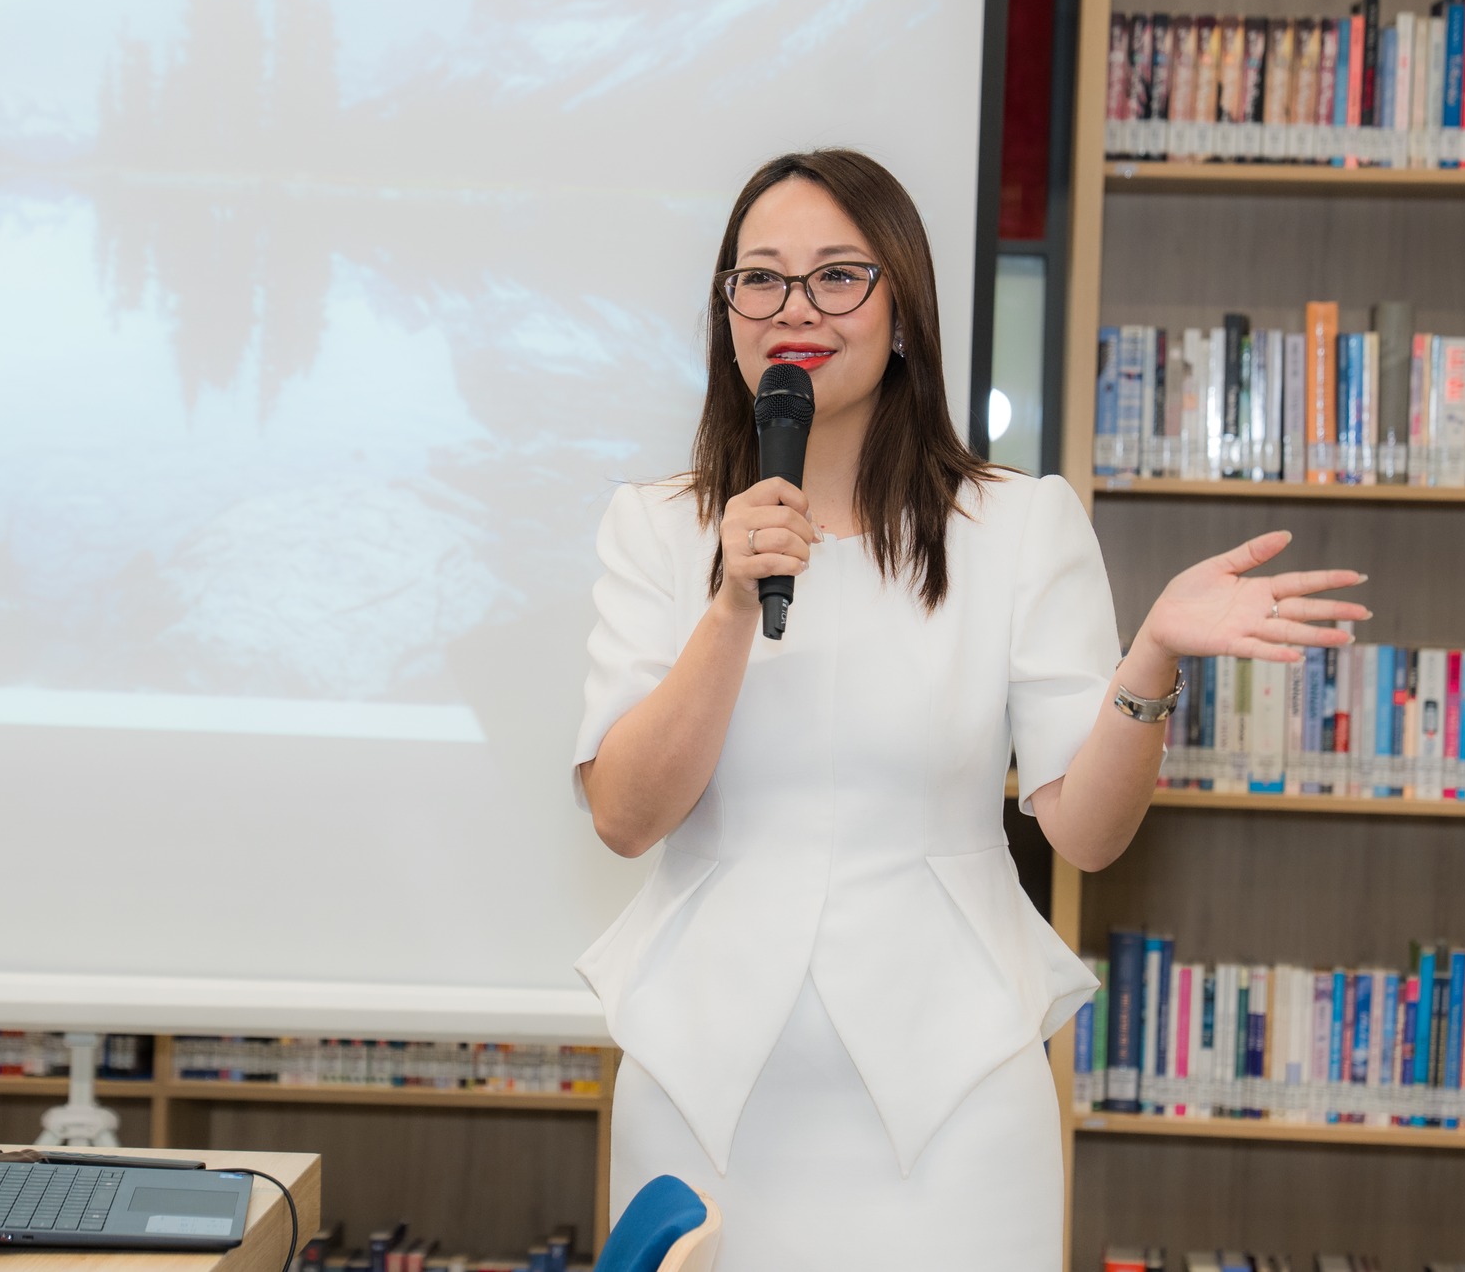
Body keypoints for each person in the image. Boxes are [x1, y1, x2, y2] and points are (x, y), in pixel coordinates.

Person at [571, 149, 1369, 1271]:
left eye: (837, 275)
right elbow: (624, 815)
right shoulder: (655, 527)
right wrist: (732, 602)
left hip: (953, 1100)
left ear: (902, 310)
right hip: (702, 1096)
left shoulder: (1017, 526)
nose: (794, 308)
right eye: (761, 278)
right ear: (727, 311)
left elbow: (1086, 833)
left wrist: (1148, 658)